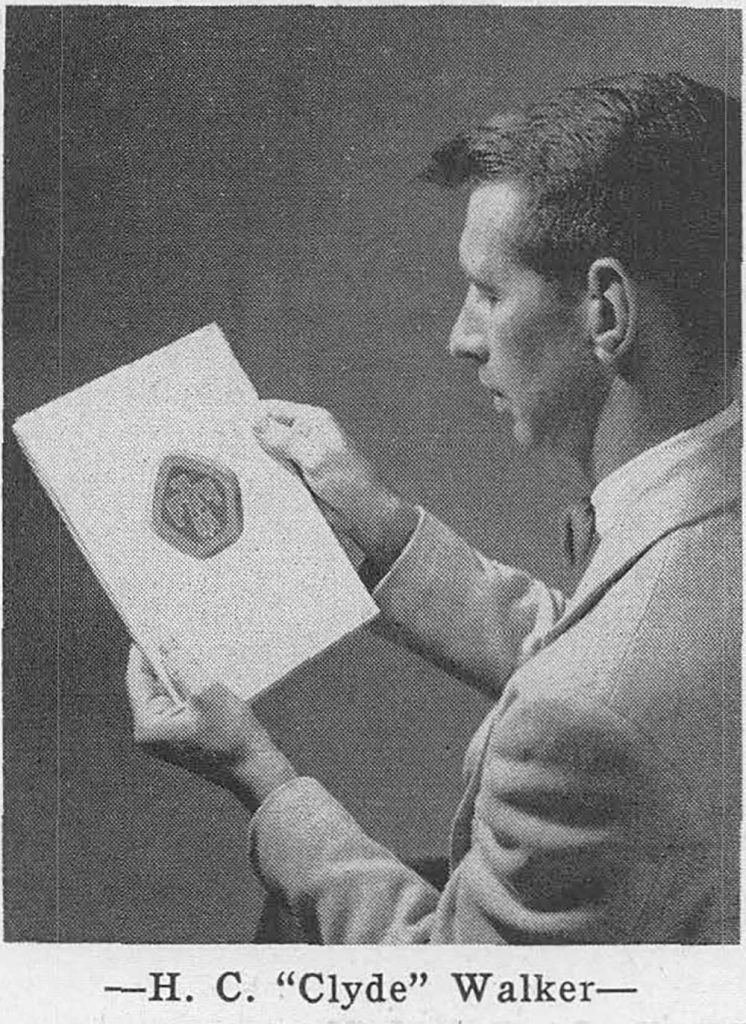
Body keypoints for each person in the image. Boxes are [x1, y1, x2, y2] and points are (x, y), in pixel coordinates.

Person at [126, 72, 741, 944]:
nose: (462, 336)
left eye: (489, 293)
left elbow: (448, 984)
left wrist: (255, 772)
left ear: (608, 312)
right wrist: (385, 534)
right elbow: (622, 667)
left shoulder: (587, 718)